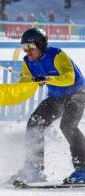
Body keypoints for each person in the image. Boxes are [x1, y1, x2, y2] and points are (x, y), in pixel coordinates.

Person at [13, 28, 85, 184]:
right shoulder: (27, 62)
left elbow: (69, 78)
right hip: (56, 97)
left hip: (77, 93)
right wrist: (3, 89)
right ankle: (34, 169)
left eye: (30, 47)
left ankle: (83, 169)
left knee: (68, 126)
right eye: (24, 48)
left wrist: (46, 78)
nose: (27, 51)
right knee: (34, 123)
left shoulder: (57, 55)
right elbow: (24, 83)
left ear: (41, 44)